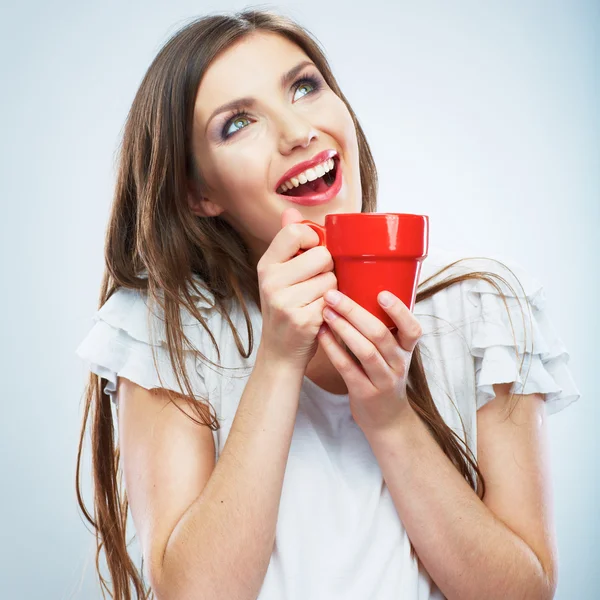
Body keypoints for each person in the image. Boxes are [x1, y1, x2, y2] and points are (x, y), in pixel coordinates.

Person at [74, 9, 580, 600]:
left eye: (304, 86)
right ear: (199, 192)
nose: (297, 131)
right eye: (237, 123)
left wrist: (387, 414)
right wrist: (279, 361)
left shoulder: (487, 308)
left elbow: (523, 592)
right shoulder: (171, 329)